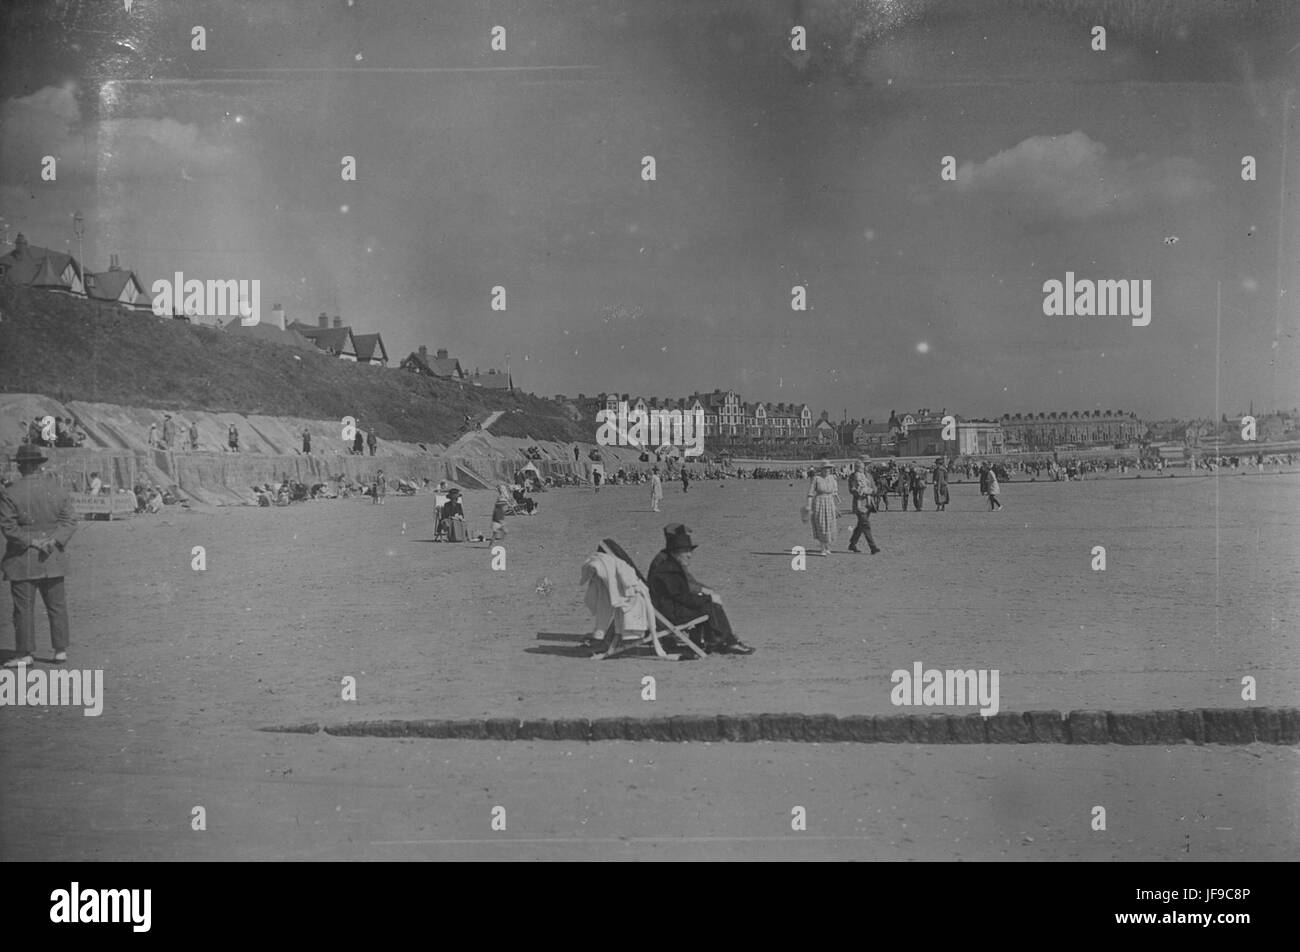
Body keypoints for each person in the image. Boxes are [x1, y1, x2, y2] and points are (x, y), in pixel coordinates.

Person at [0, 445, 76, 667]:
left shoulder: (10, 492)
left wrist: (33, 542)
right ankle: (60, 650)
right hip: (53, 556)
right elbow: (69, 521)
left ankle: (25, 653)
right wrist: (53, 540)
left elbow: (8, 528)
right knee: (57, 605)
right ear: (39, 465)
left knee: (23, 608)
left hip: (23, 559)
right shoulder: (57, 489)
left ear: (22, 465)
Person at [647, 524, 754, 655]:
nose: (690, 555)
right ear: (675, 553)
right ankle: (728, 642)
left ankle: (716, 641)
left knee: (708, 604)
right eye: (685, 551)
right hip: (672, 614)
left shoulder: (670, 566)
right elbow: (682, 596)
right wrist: (707, 598)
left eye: (689, 551)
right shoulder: (668, 570)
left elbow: (682, 592)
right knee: (711, 606)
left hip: (669, 610)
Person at [804, 461, 840, 556]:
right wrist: (808, 505)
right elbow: (810, 493)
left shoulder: (832, 478)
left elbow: (834, 492)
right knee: (821, 524)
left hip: (830, 502)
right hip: (819, 502)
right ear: (822, 469)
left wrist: (836, 505)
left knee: (830, 524)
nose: (828, 470)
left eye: (829, 468)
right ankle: (822, 548)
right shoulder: (816, 478)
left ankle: (828, 547)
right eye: (826, 468)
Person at [848, 461, 881, 555]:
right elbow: (851, 489)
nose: (866, 466)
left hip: (869, 504)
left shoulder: (869, 475)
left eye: (867, 464)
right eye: (865, 465)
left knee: (861, 526)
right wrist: (859, 491)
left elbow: (874, 487)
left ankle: (852, 543)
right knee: (866, 524)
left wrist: (872, 491)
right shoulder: (853, 476)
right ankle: (873, 547)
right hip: (859, 504)